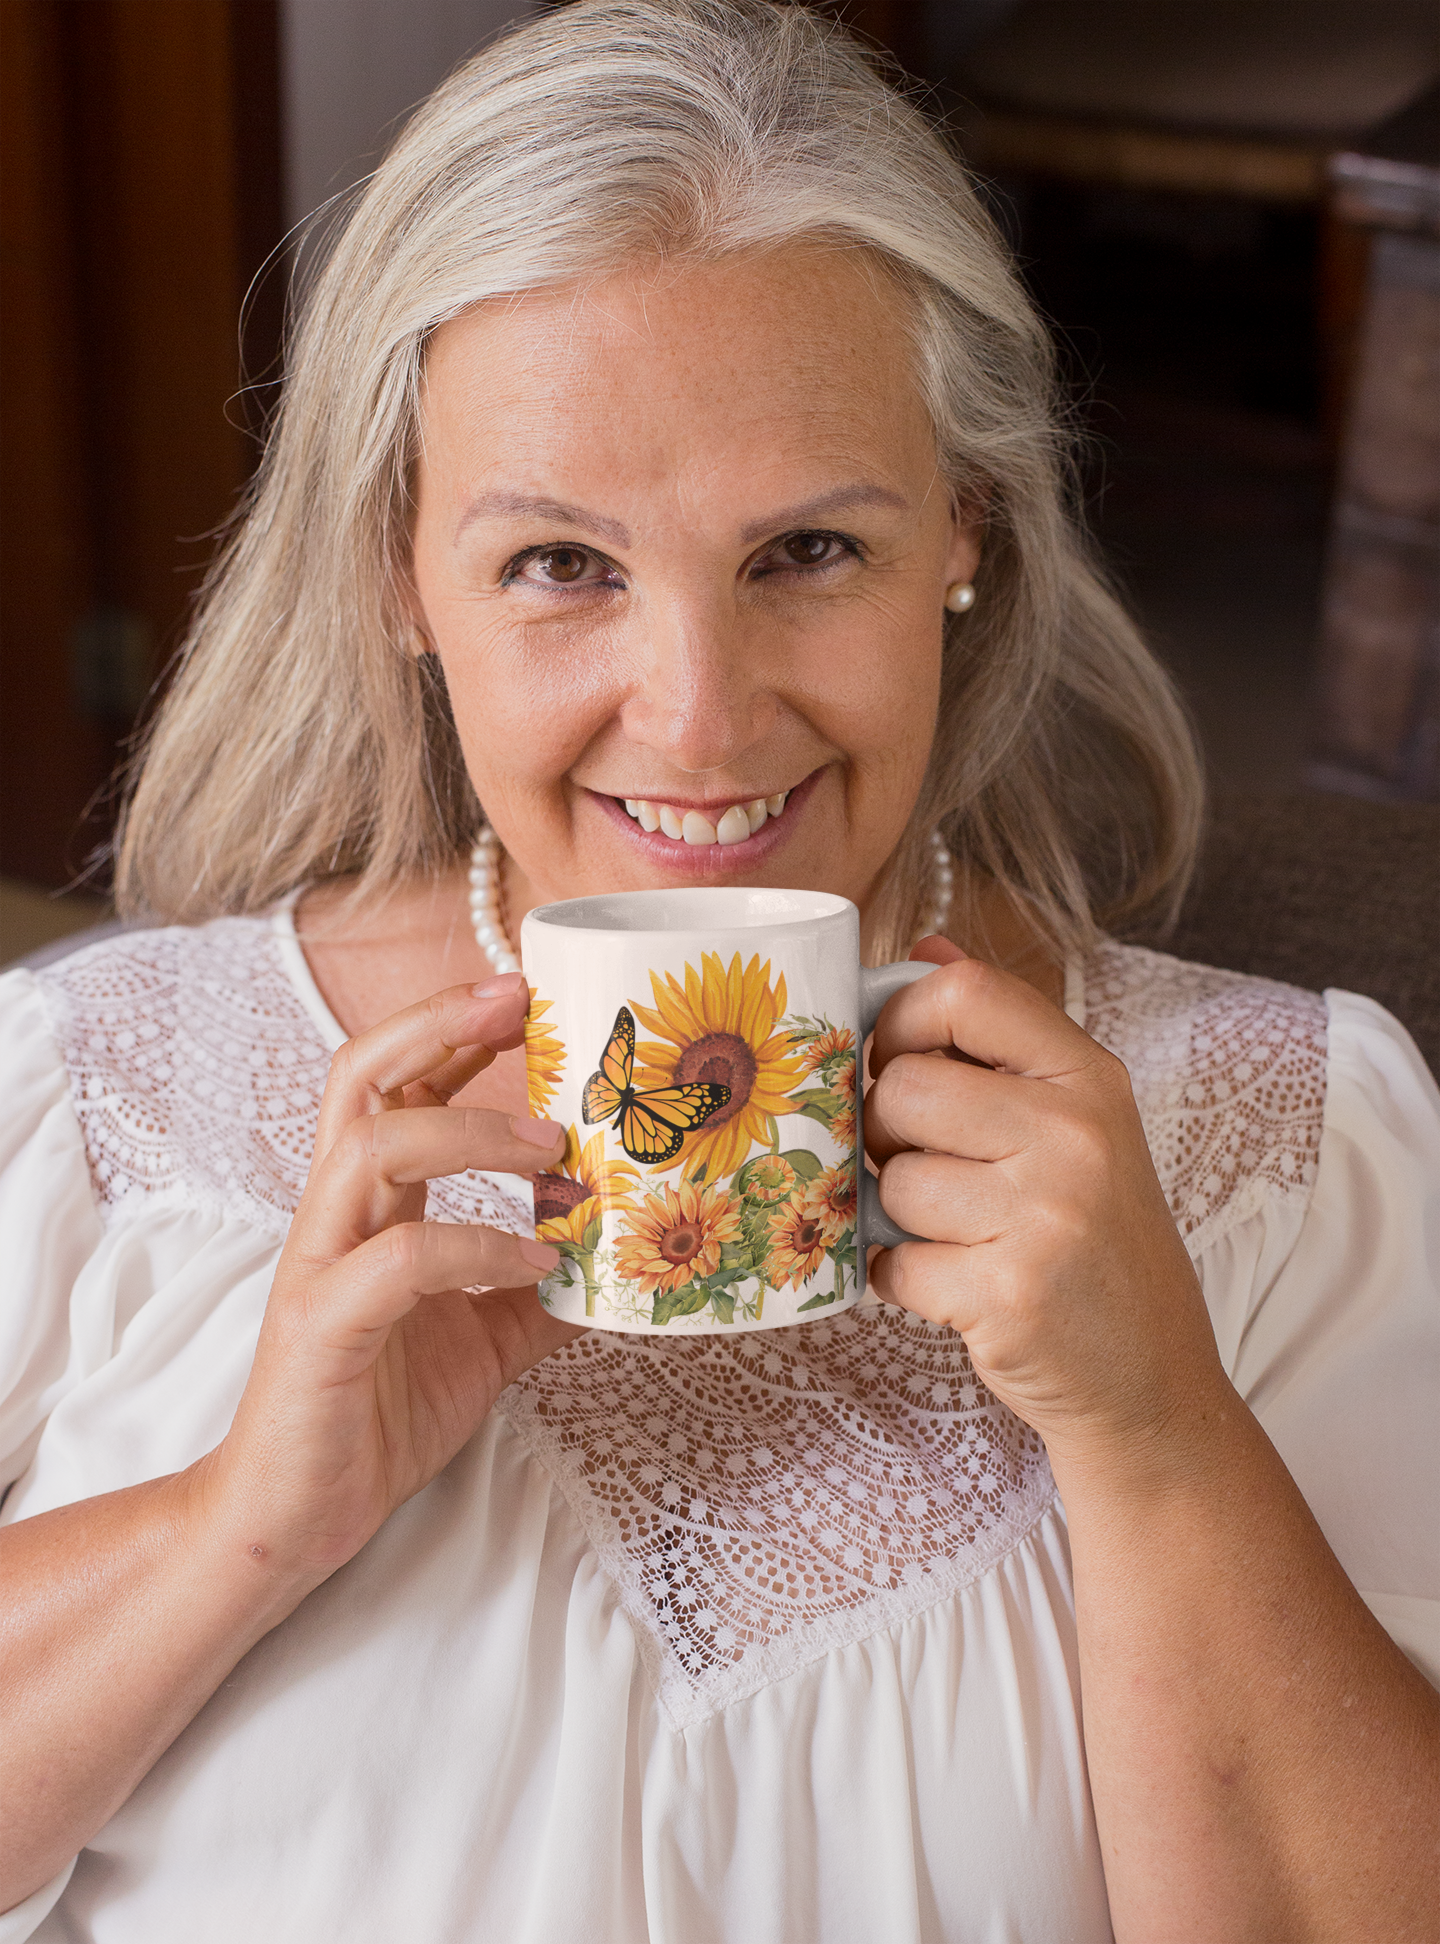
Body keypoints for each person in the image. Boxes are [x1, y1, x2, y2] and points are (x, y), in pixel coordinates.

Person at [1, 3, 1435, 1938]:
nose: (695, 721)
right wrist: (234, 1525)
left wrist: (1158, 1429)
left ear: (966, 537)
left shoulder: (1298, 1136)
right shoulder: (82, 1090)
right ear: (399, 581)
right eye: (559, 566)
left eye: (810, 549)